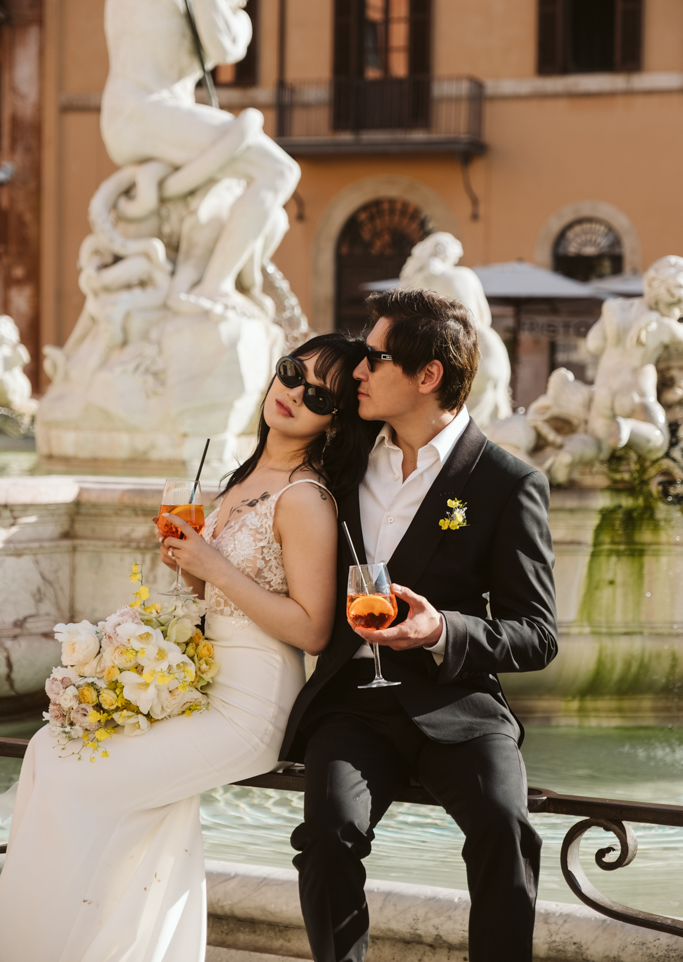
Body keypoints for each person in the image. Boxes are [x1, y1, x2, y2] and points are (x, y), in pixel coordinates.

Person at [0, 333, 370, 962]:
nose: (292, 395)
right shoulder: (239, 479)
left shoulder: (306, 497)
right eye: (289, 373)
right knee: (46, 748)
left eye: (317, 395)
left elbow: (311, 628)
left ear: (335, 421)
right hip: (196, 688)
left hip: (249, 708)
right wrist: (188, 566)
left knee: (74, 780)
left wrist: (214, 566)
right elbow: (209, 599)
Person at [282, 290, 558, 962]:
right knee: (324, 834)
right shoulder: (344, 456)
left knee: (503, 826)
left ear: (426, 375)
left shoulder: (504, 481)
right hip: (351, 706)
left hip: (457, 703)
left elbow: (536, 632)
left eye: (374, 359)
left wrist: (442, 631)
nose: (358, 372)